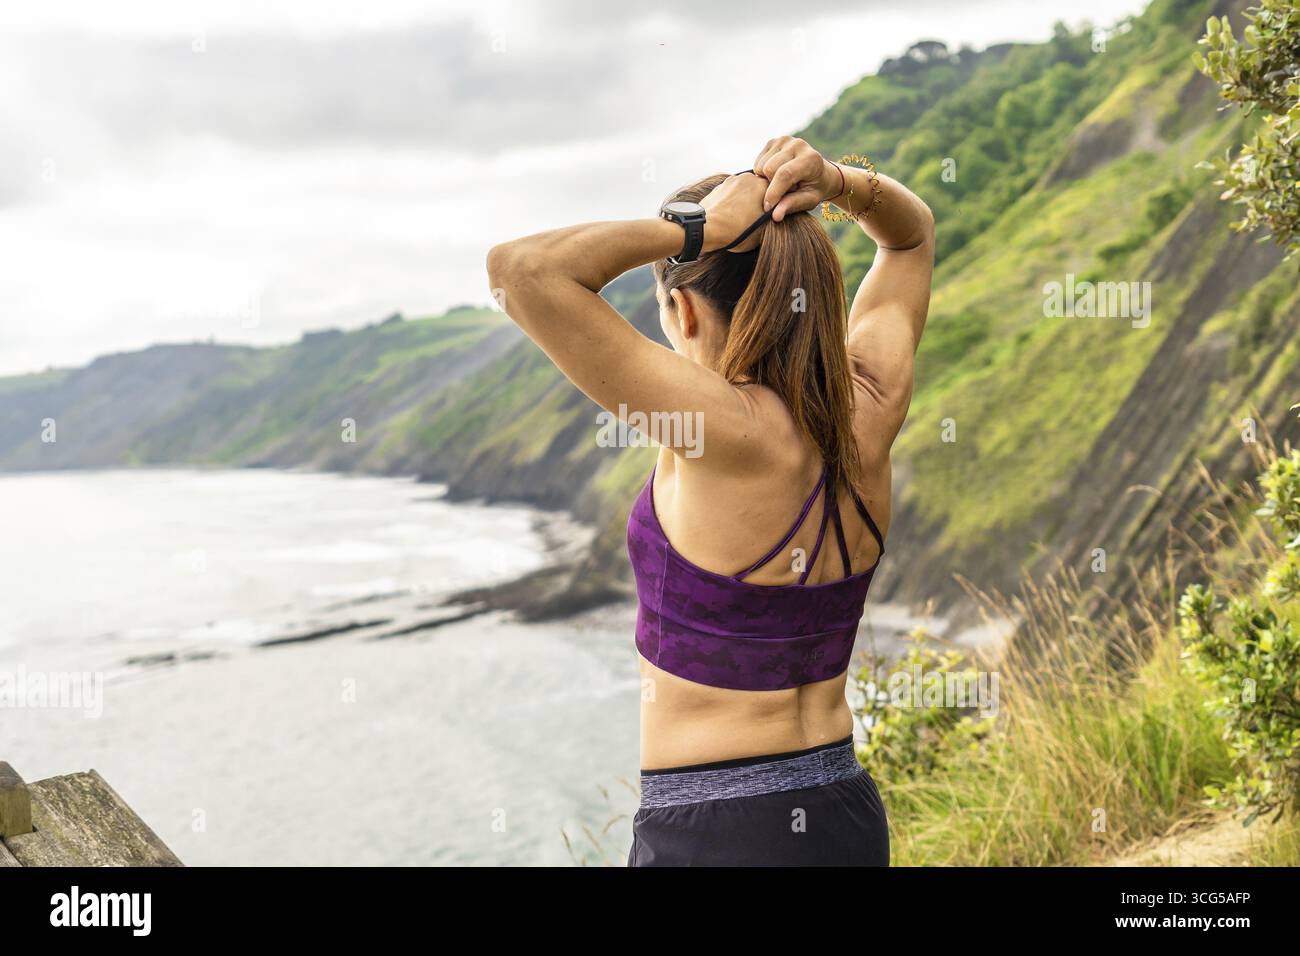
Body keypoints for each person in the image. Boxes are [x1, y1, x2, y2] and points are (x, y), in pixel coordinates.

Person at [486, 135, 934, 866]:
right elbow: (911, 239)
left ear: (684, 310)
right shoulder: (871, 407)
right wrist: (835, 180)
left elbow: (521, 271)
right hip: (843, 810)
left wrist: (699, 229)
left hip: (715, 831)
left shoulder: (720, 429)